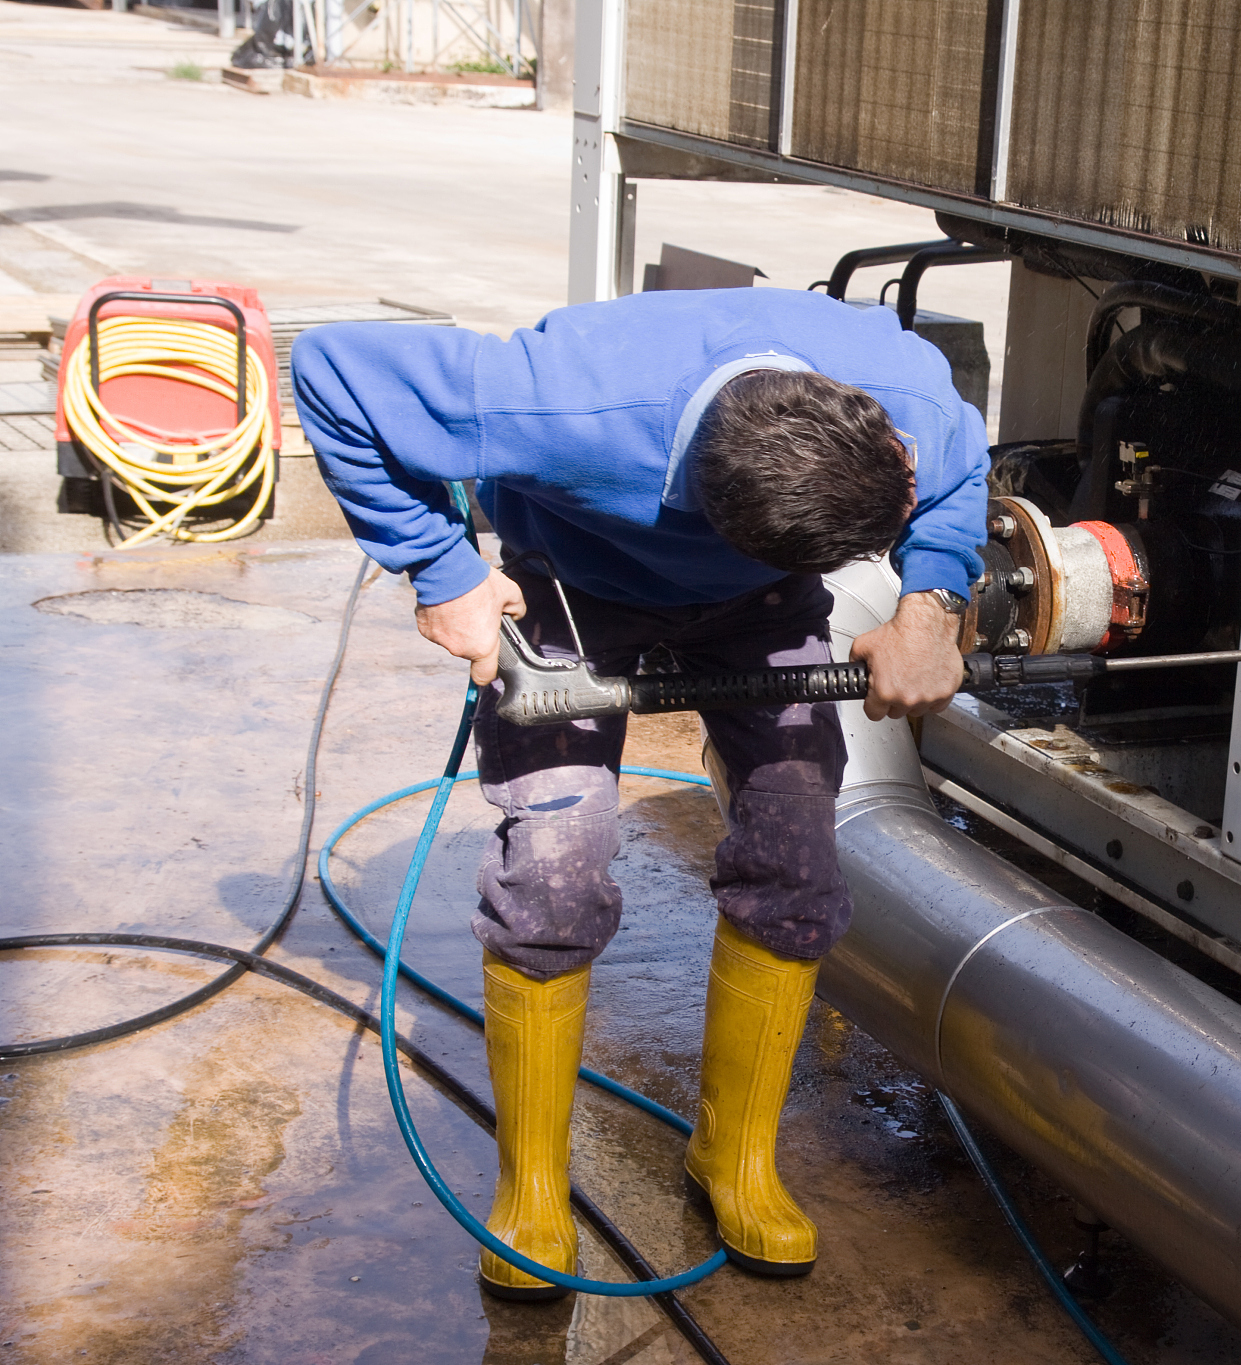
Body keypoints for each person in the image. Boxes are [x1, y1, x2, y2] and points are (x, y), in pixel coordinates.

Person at [293, 287, 987, 1294]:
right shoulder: (564, 402)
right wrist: (440, 570)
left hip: (762, 599)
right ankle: (533, 1187)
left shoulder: (901, 391)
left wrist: (931, 602)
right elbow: (333, 369)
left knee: (797, 860)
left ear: (887, 442)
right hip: (575, 586)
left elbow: (960, 469)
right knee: (552, 876)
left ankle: (733, 1158)